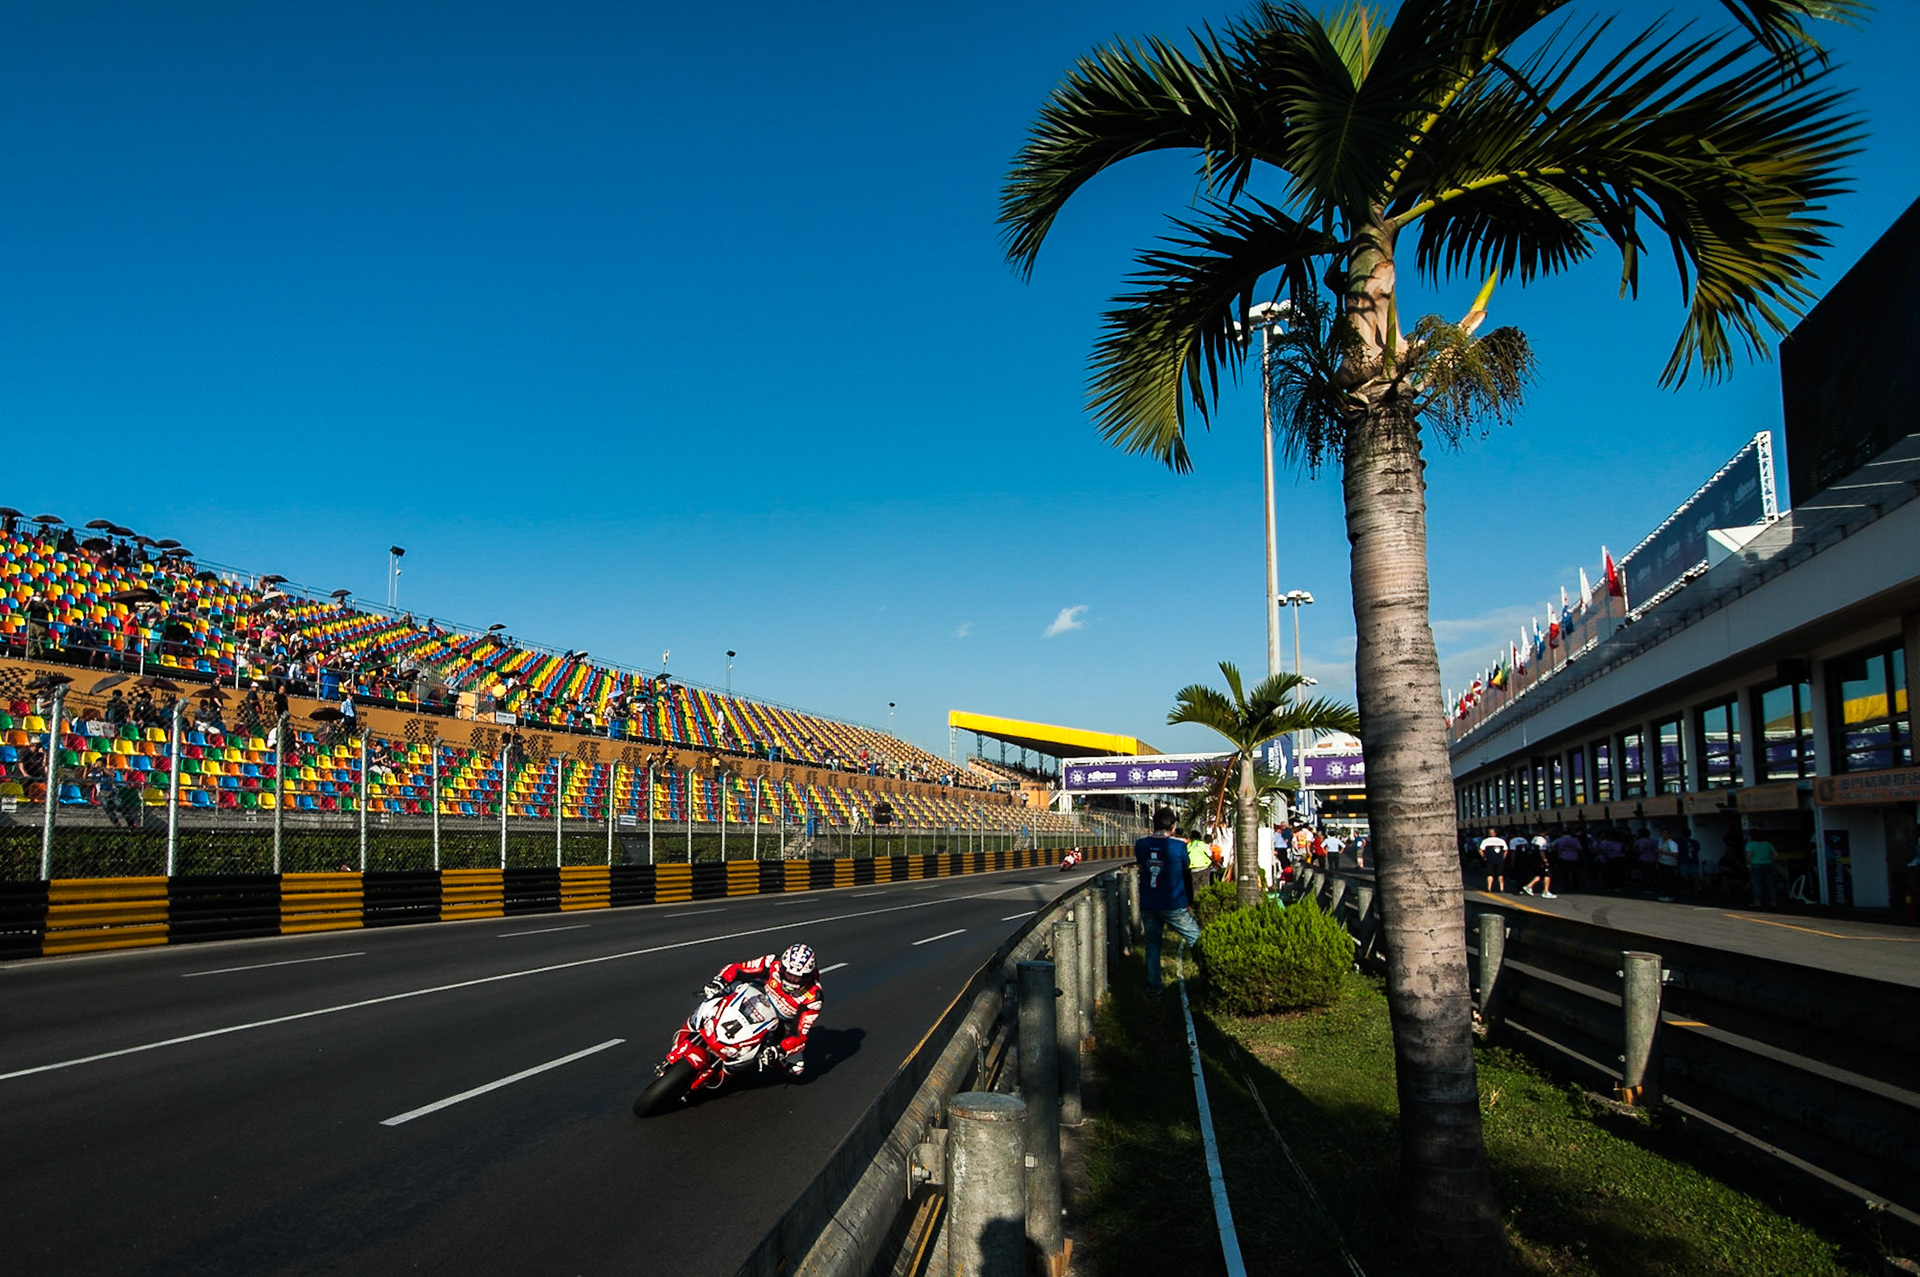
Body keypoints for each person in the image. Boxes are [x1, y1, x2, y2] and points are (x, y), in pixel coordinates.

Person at [698, 943, 821, 1075]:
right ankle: (696, 1022)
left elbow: (799, 1035)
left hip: (781, 1020)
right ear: (782, 967)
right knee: (715, 993)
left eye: (798, 977)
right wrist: (720, 980)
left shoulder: (814, 997)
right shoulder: (772, 962)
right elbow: (738, 969)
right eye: (788, 974)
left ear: (809, 975)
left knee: (795, 1068)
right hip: (757, 994)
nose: (792, 980)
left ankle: (733, 1069)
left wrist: (780, 1050)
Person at [1135, 808, 1201, 996]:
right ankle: (1210, 976)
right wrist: (1190, 899)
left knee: (1153, 945)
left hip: (1149, 902)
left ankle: (1154, 986)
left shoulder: (1141, 844)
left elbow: (1142, 863)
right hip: (1173, 903)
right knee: (1197, 939)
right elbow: (1186, 869)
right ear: (1172, 827)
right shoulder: (1178, 846)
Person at [1744, 825, 1779, 909]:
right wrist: (1771, 861)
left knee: (1757, 884)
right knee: (1770, 884)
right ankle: (1773, 902)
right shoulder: (1767, 843)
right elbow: (1776, 854)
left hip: (1755, 865)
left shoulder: (1750, 844)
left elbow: (1749, 854)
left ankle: (1757, 902)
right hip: (1767, 864)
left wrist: (1747, 863)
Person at [1478, 827, 1509, 893]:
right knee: (1500, 874)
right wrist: (1503, 857)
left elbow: (1480, 850)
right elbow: (1506, 850)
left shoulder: (1485, 841)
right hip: (1499, 859)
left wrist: (1484, 857)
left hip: (1490, 859)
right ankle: (1502, 888)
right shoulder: (1501, 841)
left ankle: (1489, 888)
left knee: (1490, 874)